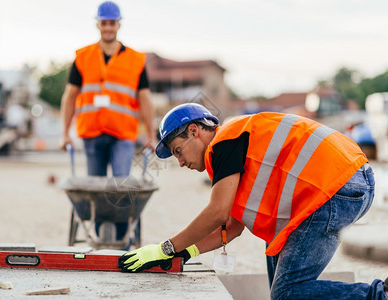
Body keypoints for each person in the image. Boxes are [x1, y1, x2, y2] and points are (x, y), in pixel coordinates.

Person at [118, 103, 388, 299]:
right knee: (282, 293)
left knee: (288, 293)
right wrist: (185, 252)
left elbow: (217, 213)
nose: (180, 162)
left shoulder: (225, 140)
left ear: (193, 131)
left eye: (178, 151)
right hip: (339, 184)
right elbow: (232, 226)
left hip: (335, 186)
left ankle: (381, 295)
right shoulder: (235, 150)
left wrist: (167, 248)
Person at [59, 1, 156, 242]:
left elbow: (145, 99)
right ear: (98, 24)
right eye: (104, 23)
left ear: (118, 24)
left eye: (112, 23)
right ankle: (101, 239)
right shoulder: (83, 57)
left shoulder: (135, 60)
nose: (108, 27)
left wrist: (151, 135)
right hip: (91, 133)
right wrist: (64, 133)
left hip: (122, 134)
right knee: (96, 190)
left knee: (119, 188)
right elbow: (70, 96)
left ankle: (122, 239)